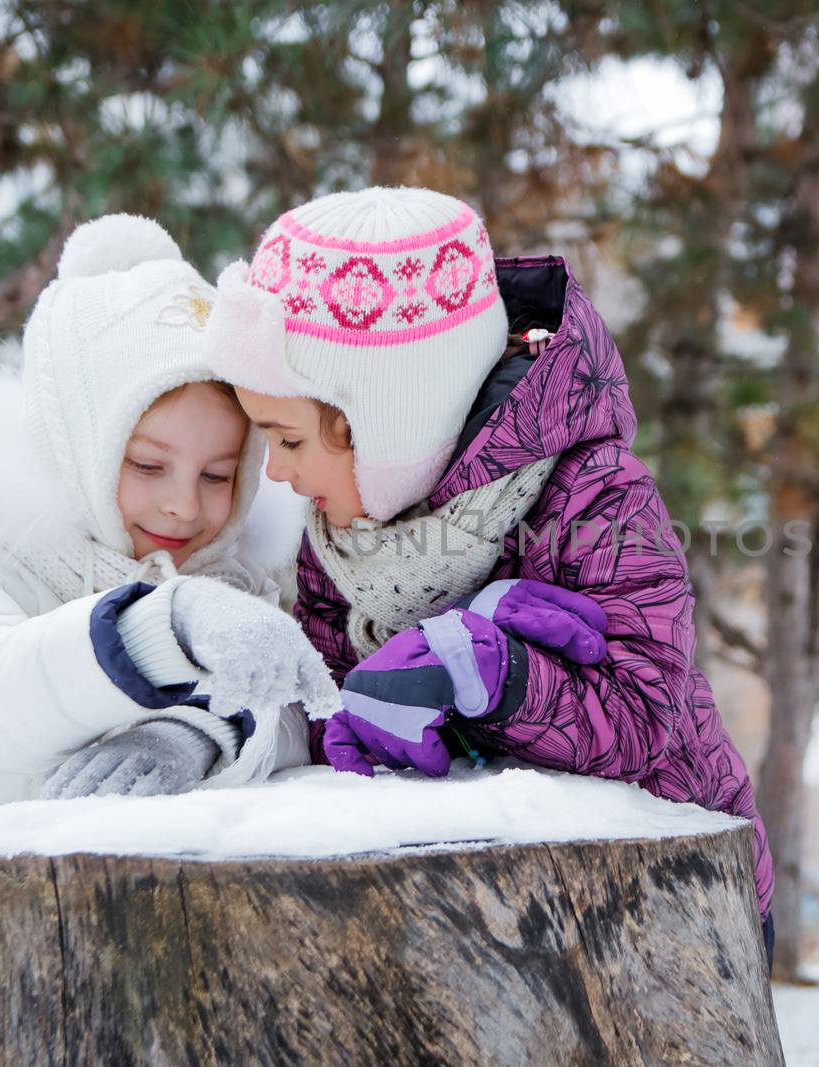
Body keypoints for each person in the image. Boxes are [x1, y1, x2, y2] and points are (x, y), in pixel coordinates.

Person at [0, 215, 332, 1066]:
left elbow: (289, 714)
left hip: (164, 929)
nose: (182, 508)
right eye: (149, 463)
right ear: (78, 437)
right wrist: (153, 636)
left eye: (216, 474)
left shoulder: (232, 573)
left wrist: (192, 733)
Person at [202, 186, 775, 959]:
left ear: (385, 422)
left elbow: (648, 721)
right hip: (481, 908)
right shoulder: (340, 538)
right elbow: (327, 698)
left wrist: (494, 674)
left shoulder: (594, 498)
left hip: (668, 896)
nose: (276, 474)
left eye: (290, 440)